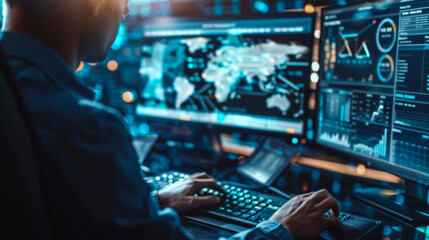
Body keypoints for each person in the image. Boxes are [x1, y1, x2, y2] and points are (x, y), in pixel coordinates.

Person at [1, 0, 342, 239]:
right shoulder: (85, 126)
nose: (123, 12)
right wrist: (280, 229)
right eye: (125, 4)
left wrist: (155, 201)